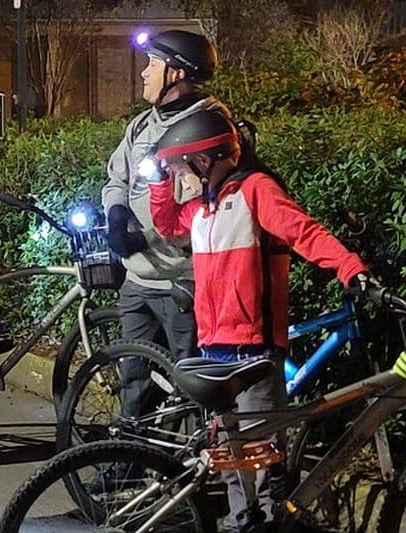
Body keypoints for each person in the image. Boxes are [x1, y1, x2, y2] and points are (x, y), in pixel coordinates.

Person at [147, 109, 368, 530]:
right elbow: (168, 224)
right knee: (232, 460)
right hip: (214, 346)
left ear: (207, 159)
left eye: (180, 168)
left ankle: (257, 524)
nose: (179, 179)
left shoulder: (254, 191)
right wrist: (157, 181)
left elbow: (303, 231)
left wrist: (349, 267)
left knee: (260, 463)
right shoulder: (204, 207)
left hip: (253, 349)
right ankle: (239, 523)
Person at [101, 29, 228, 419]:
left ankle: (188, 473)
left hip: (183, 284)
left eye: (152, 64)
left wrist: (152, 236)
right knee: (134, 384)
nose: (143, 73)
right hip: (138, 282)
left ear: (176, 73)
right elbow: (115, 177)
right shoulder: (140, 125)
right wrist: (116, 212)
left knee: (192, 391)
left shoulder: (210, 127)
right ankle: (130, 466)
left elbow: (214, 206)